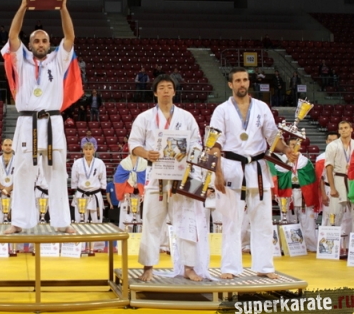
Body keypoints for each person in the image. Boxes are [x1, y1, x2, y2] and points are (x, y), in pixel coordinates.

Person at [1, 0, 83, 235]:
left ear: (49, 44)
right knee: (23, 171)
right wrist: (23, 6)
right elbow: (12, 36)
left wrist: (63, 8)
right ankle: (19, 221)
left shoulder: (58, 60)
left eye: (44, 41)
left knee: (57, 172)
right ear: (30, 44)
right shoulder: (21, 59)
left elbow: (70, 36)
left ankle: (62, 221)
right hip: (27, 122)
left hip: (52, 122)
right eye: (36, 41)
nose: (40, 44)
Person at [210, 67, 297, 279]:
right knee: (232, 221)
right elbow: (215, 144)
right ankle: (230, 267)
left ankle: (264, 266)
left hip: (258, 169)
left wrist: (286, 149)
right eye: (238, 80)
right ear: (230, 84)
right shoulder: (221, 110)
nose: (242, 84)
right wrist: (217, 172)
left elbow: (273, 137)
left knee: (263, 220)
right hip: (232, 167)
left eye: (245, 80)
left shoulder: (261, 107)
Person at [129, 75, 208, 282]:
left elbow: (197, 144)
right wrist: (147, 154)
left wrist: (188, 155)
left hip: (181, 176)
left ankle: (189, 267)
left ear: (174, 91)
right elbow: (134, 144)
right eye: (161, 87)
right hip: (156, 176)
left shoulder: (187, 117)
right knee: (151, 221)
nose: (165, 90)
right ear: (155, 92)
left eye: (169, 87)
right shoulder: (144, 117)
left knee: (186, 221)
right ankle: (148, 267)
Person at [268, 146, 318, 251]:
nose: (293, 148)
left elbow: (311, 179)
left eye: (295, 145)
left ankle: (310, 245)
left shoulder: (305, 162)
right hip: (287, 194)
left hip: (303, 194)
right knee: (287, 219)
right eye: (291, 145)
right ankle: (288, 246)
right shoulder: (281, 162)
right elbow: (277, 178)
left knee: (307, 221)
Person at [324, 121, 353, 238]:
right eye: (341, 128)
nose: (343, 130)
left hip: (352, 181)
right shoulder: (332, 146)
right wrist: (332, 188)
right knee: (335, 214)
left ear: (351, 129)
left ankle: (352, 245)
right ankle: (331, 243)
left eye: (346, 127)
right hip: (338, 179)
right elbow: (329, 167)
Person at [70, 142, 107, 223]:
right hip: (81, 193)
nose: (88, 151)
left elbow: (103, 177)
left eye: (90, 149)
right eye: (86, 149)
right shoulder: (77, 163)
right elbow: (74, 177)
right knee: (80, 219)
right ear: (83, 150)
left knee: (96, 220)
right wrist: (74, 187)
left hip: (95, 193)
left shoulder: (99, 162)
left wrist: (103, 187)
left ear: (94, 150)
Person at [113, 152, 146, 230]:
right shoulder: (124, 163)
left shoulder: (144, 163)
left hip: (140, 195)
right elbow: (118, 178)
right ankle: (124, 237)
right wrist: (126, 190)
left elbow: (147, 178)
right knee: (125, 220)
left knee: (140, 220)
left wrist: (142, 190)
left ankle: (140, 237)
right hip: (126, 195)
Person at [316, 132, 340, 225]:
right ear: (326, 141)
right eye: (330, 140)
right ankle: (326, 234)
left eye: (335, 140)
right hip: (328, 188)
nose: (332, 142)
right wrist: (323, 195)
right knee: (327, 216)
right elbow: (320, 178)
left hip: (342, 187)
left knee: (342, 216)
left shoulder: (346, 155)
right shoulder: (321, 158)